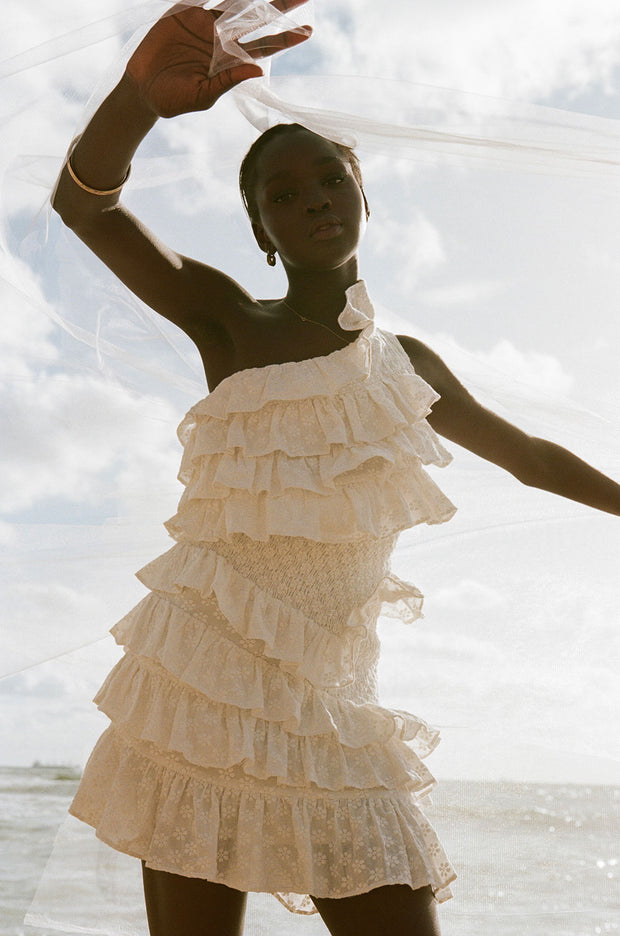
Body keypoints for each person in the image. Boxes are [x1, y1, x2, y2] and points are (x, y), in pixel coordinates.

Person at [51, 3, 620, 935]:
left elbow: (529, 458)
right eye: (282, 195)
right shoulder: (231, 323)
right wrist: (135, 99)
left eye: (329, 179)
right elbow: (87, 208)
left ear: (363, 197)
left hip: (332, 709)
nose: (312, 198)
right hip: (199, 693)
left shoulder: (407, 366)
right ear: (262, 231)